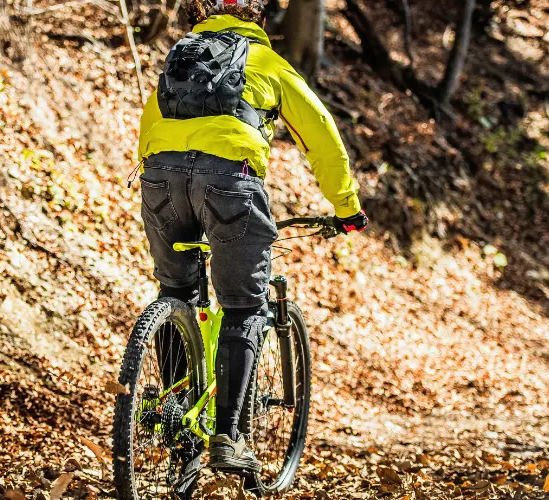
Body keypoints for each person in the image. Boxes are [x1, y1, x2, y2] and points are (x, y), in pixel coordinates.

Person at [136, 0, 368, 475]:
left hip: (158, 177)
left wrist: (160, 176)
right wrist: (347, 207)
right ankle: (229, 436)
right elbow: (322, 136)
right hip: (229, 183)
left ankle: (175, 416)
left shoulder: (180, 57)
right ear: (258, 19)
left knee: (175, 289)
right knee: (244, 306)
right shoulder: (266, 62)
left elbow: (149, 126)